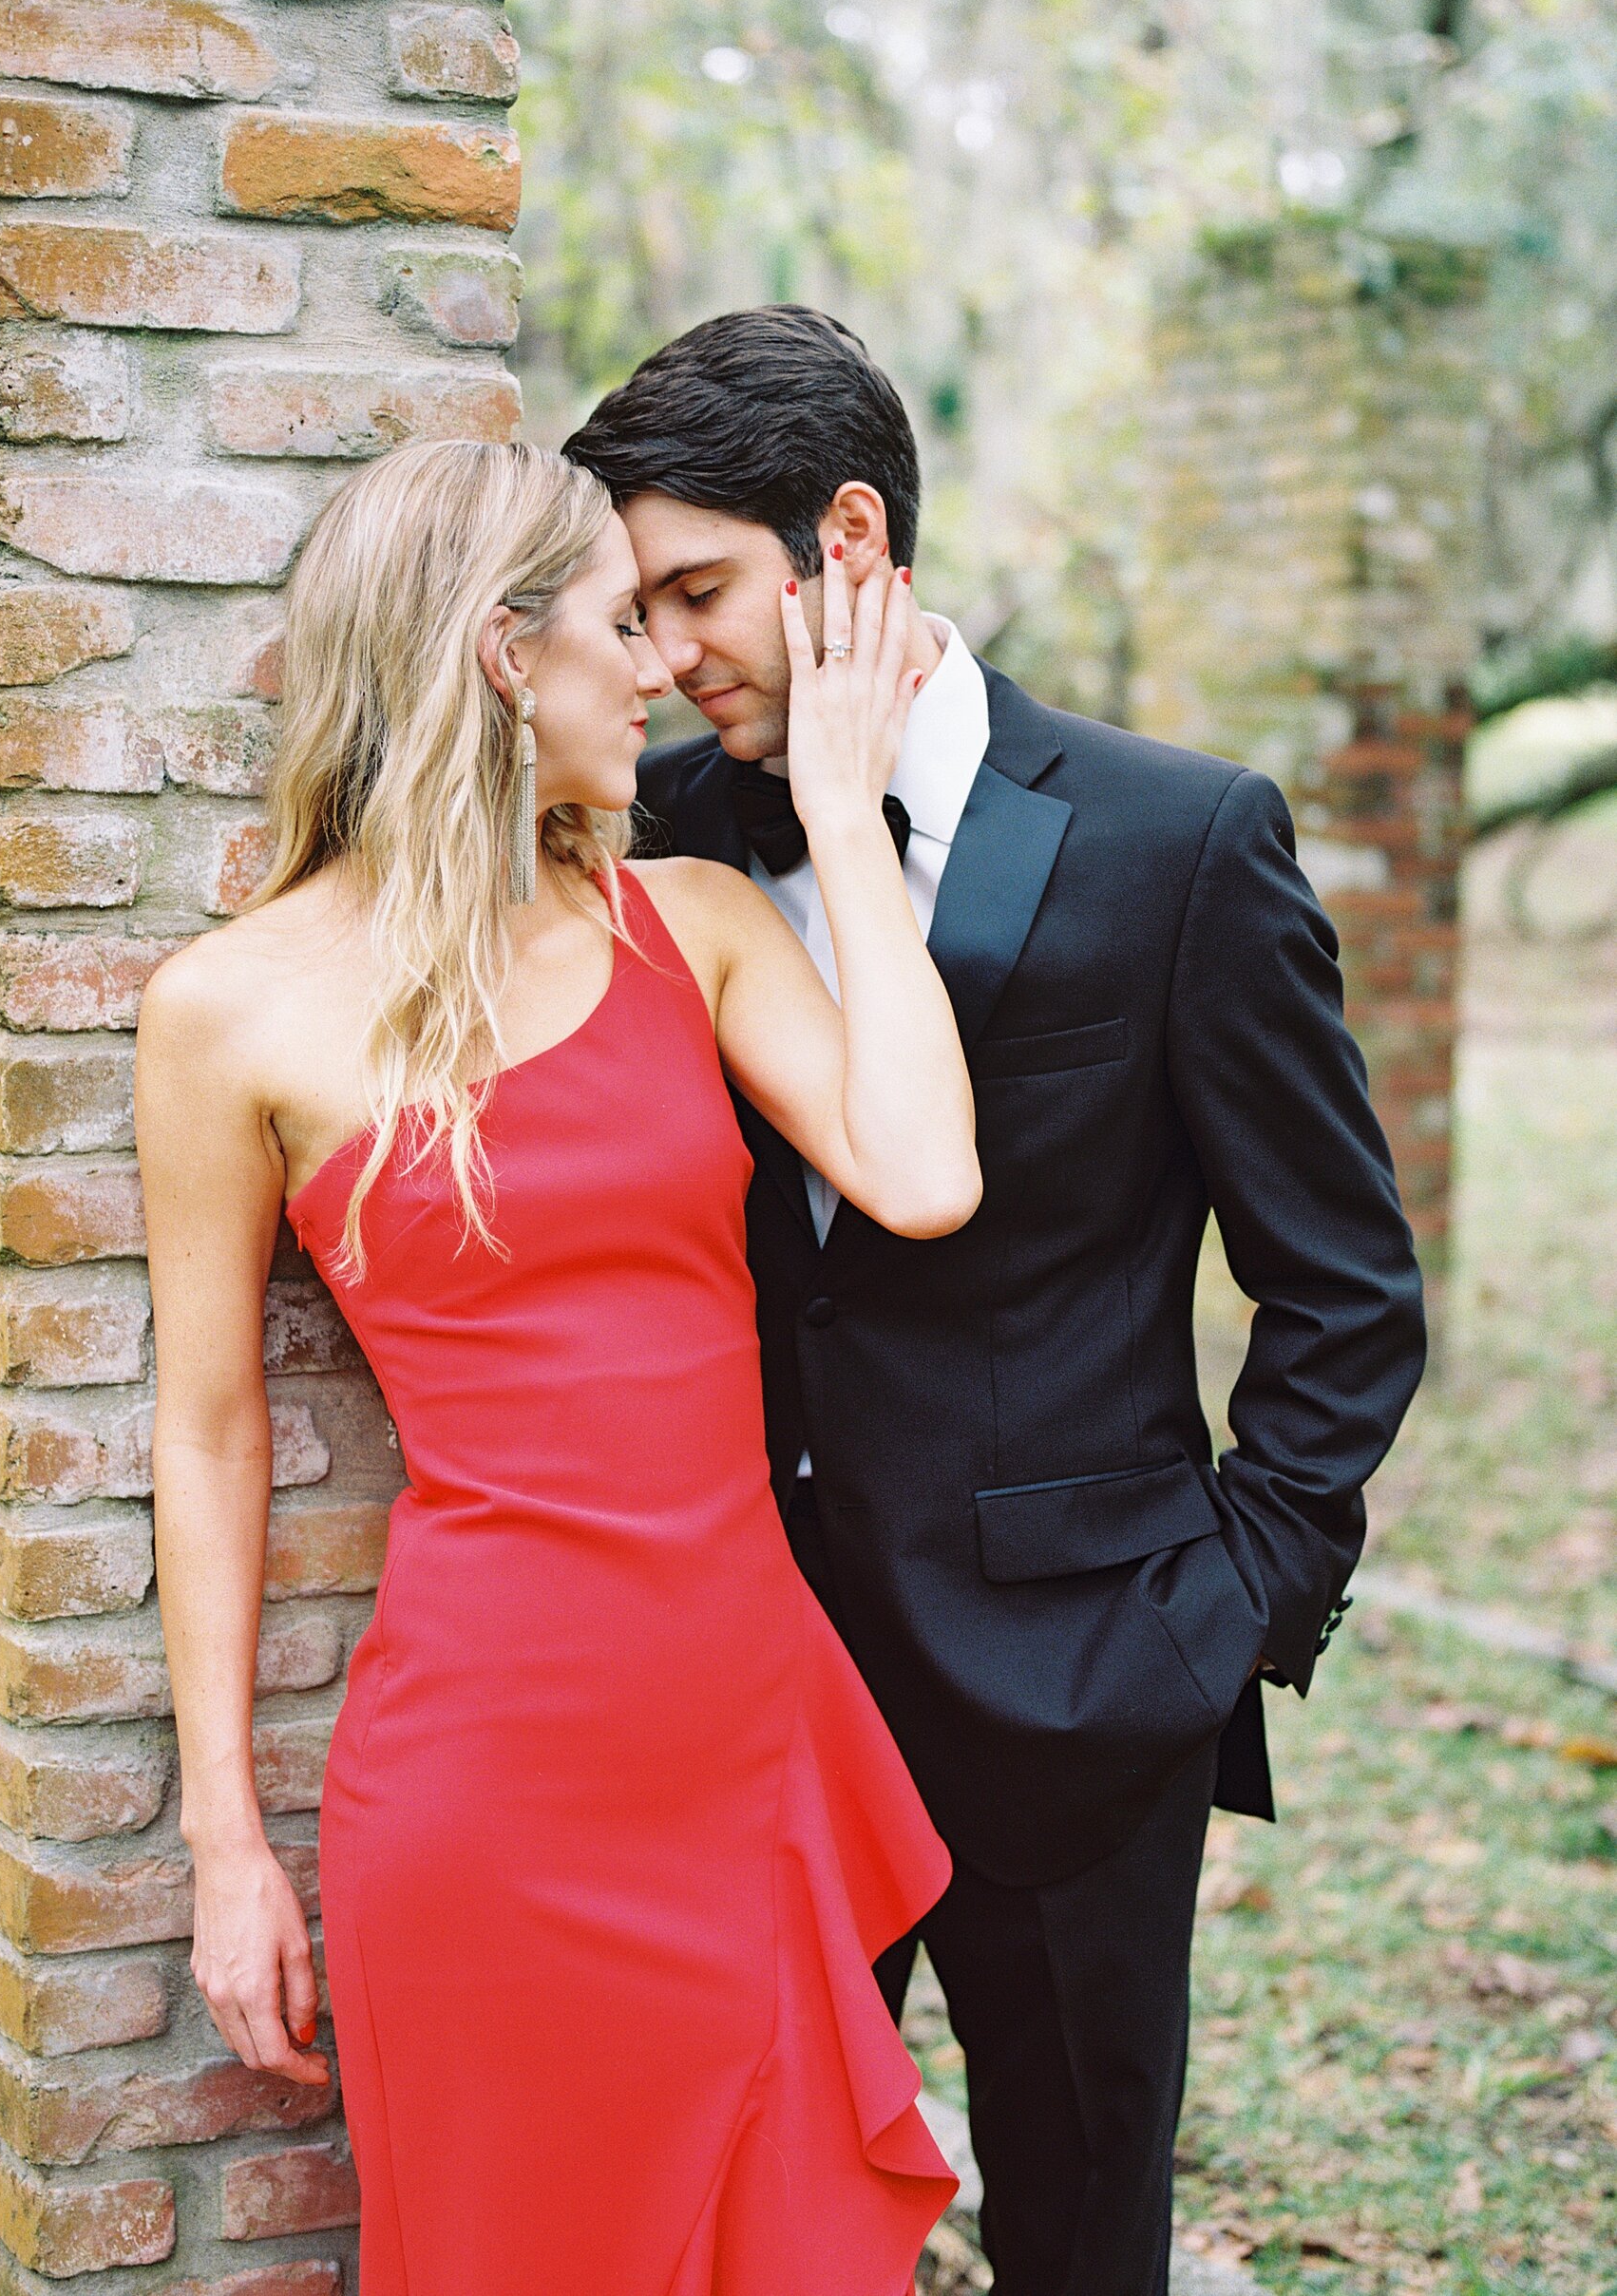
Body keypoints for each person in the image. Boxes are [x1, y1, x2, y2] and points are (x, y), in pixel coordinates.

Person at [565, 305, 1428, 2296]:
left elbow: (1341, 1287)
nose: (667, 655)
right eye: (634, 608)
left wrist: (1218, 1620)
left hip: (1078, 1688)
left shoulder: (1176, 839)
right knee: (760, 2221)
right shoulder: (672, 839)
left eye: (695, 589)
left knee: (1072, 2232)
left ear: (843, 540)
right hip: (749, 1691)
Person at [135, 437, 982, 2296]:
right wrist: (225, 1847)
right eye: (621, 624)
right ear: (503, 660)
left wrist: (843, 816)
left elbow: (923, 1177)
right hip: (484, 1797)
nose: (663, 668)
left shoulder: (693, 925)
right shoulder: (228, 1012)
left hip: (739, 1747)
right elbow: (205, 1431)